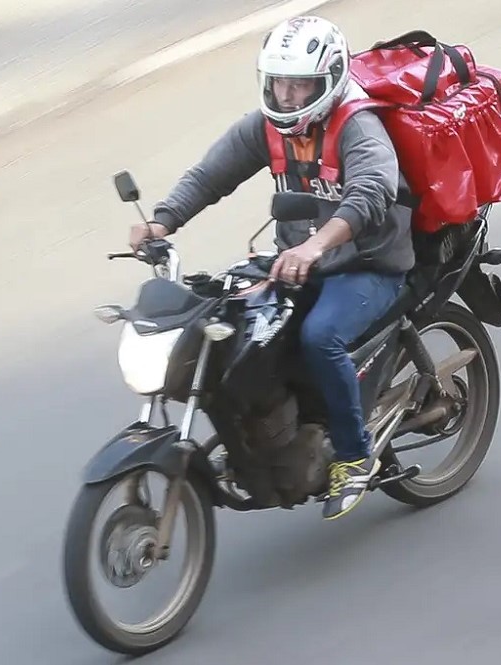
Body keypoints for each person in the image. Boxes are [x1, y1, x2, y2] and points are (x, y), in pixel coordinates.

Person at [127, 15, 416, 520]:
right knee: (233, 321)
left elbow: (371, 193)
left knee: (319, 336)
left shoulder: (357, 126)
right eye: (279, 82)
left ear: (327, 82)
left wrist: (317, 246)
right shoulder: (267, 127)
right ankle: (269, 431)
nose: (286, 95)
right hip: (294, 259)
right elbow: (212, 173)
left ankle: (353, 455)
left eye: (299, 83)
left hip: (367, 263)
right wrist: (162, 222)